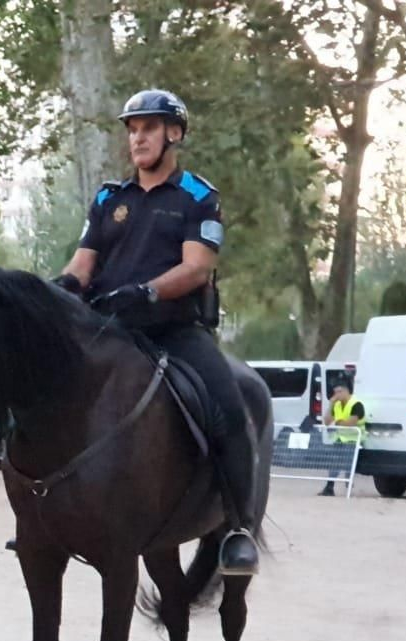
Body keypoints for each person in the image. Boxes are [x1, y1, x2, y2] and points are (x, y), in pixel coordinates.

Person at [54, 88, 259, 575]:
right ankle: (43, 518)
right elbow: (83, 264)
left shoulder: (198, 197)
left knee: (229, 409)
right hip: (107, 329)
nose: (138, 137)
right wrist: (60, 288)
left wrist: (145, 292)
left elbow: (196, 269)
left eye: (148, 127)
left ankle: (238, 528)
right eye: (132, 129)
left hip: (174, 331)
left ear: (174, 133)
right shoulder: (110, 197)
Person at [319, 382, 365, 497]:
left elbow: (351, 422)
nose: (337, 395)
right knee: (334, 462)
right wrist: (330, 405)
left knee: (348, 464)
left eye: (339, 392)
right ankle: (329, 487)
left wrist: (339, 423)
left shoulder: (356, 404)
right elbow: (327, 421)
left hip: (354, 439)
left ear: (346, 391)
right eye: (335, 392)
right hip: (340, 438)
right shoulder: (337, 405)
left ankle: (349, 485)